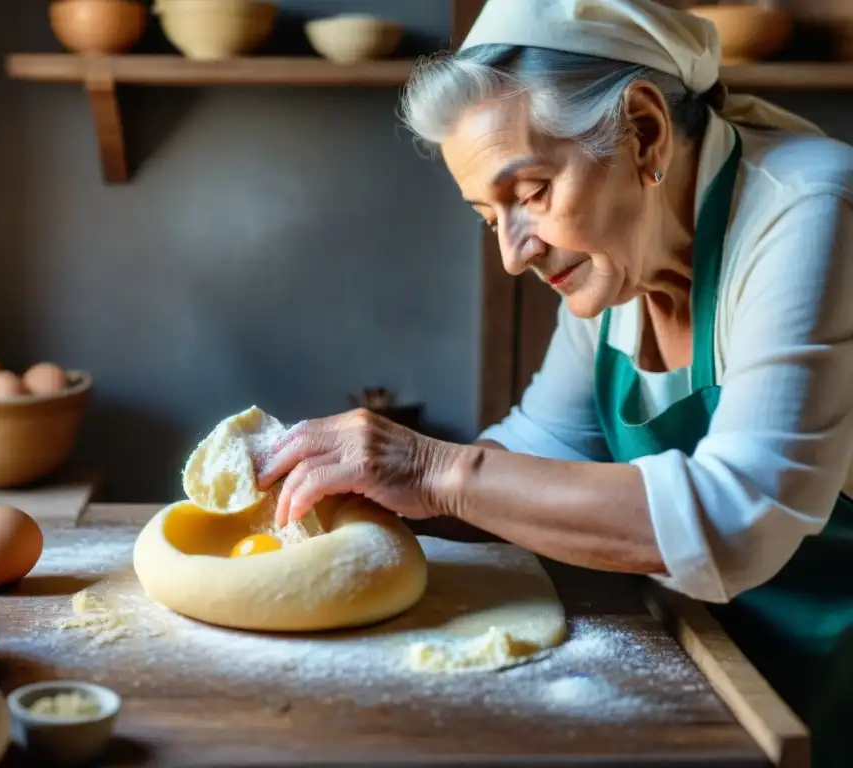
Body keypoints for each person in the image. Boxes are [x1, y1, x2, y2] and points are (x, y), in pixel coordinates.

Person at [255, 0, 853, 764]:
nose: (513, 253)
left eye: (531, 193)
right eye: (486, 215)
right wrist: (353, 494)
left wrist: (432, 468)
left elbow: (739, 516)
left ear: (643, 132)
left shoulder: (810, 208)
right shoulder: (619, 261)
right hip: (728, 663)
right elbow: (541, 447)